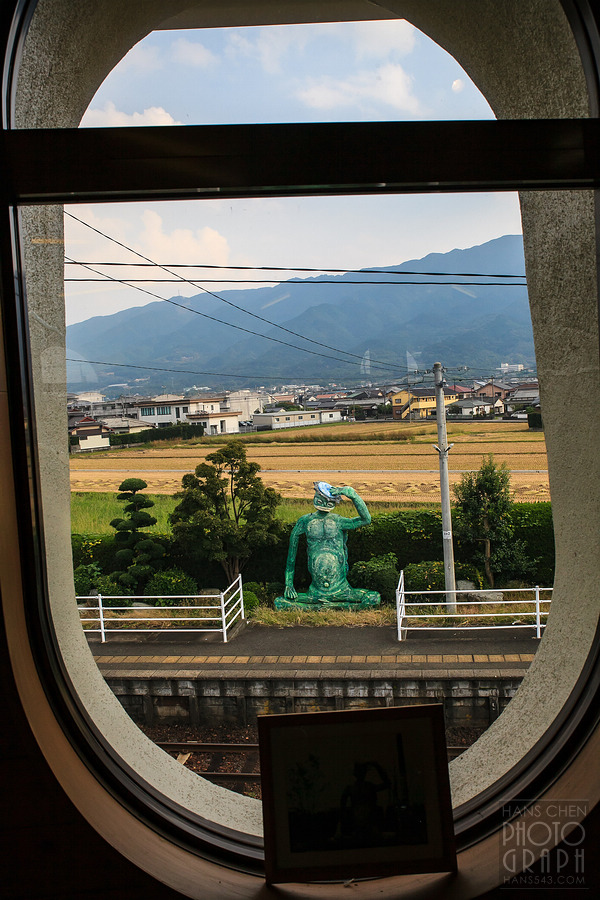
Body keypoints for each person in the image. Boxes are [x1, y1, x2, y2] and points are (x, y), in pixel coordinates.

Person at [276, 482, 380, 609]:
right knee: (280, 603)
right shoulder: (304, 521)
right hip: (315, 592)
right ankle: (333, 606)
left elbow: (366, 519)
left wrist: (353, 496)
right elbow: (291, 557)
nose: (324, 503)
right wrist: (288, 585)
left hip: (342, 589)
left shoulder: (339, 521)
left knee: (374, 598)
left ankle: (331, 606)